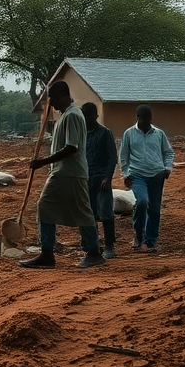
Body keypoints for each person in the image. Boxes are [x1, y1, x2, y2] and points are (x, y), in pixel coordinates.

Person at [19, 81, 107, 270]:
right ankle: (50, 253)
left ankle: (89, 252)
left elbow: (71, 148)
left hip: (69, 172)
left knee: (70, 210)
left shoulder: (73, 115)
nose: (52, 104)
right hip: (64, 172)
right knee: (51, 208)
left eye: (53, 99)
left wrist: (43, 162)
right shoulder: (67, 115)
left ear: (62, 95)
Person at [118, 104, 174, 253]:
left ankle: (151, 240)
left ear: (151, 118)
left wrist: (167, 167)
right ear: (138, 118)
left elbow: (168, 152)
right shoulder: (129, 134)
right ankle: (138, 235)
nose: (146, 122)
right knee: (142, 202)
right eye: (142, 119)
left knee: (154, 208)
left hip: (157, 175)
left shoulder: (159, 134)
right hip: (137, 175)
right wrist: (126, 174)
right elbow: (123, 156)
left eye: (148, 119)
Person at [81, 102, 119, 259]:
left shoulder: (105, 133)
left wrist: (107, 177)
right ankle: (92, 245)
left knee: (106, 213)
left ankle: (109, 246)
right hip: (85, 179)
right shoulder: (81, 134)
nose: (87, 119)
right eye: (84, 116)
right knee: (88, 214)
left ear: (95, 116)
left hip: (101, 179)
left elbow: (112, 157)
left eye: (90, 116)